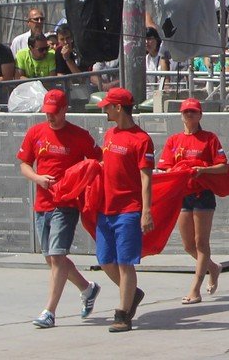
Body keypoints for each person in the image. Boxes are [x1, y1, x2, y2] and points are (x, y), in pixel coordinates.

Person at [17, 88, 103, 329]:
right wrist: (38, 178)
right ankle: (88, 289)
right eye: (47, 112)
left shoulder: (79, 135)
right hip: (41, 203)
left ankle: (49, 311)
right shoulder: (36, 132)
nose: (50, 116)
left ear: (65, 110)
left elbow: (99, 159)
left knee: (56, 256)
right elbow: (24, 164)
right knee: (53, 259)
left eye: (55, 112)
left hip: (65, 204)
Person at [159, 99, 229, 305]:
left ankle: (195, 288)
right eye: (186, 112)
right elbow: (165, 168)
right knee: (188, 245)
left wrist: (203, 170)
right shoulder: (174, 140)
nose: (189, 116)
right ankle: (213, 268)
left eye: (193, 112)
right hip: (183, 194)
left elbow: (223, 166)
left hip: (203, 194)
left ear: (200, 115)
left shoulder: (209, 138)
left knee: (201, 243)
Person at [97, 87, 153, 332]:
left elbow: (146, 178)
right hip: (106, 207)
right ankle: (131, 294)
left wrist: (146, 211)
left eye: (108, 106)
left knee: (124, 263)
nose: (105, 110)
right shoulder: (109, 134)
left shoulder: (141, 139)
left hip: (128, 209)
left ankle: (123, 313)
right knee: (105, 260)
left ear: (119, 108)